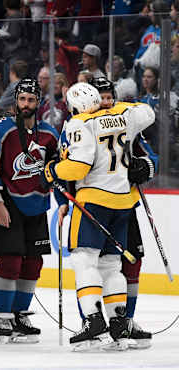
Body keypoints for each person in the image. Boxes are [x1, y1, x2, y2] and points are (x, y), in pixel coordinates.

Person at [41, 82, 155, 351]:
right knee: (111, 265)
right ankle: (118, 323)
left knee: (83, 260)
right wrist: (116, 106)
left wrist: (54, 170)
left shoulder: (79, 123)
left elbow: (79, 167)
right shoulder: (123, 115)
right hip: (123, 201)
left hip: (93, 201)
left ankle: (93, 320)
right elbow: (148, 112)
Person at [0, 78, 68, 344]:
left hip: (38, 205)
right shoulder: (1, 129)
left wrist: (62, 199)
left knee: (33, 263)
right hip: (8, 203)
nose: (26, 105)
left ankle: (20, 315)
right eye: (22, 100)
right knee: (10, 261)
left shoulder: (50, 135)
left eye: (31, 100)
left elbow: (56, 173)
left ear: (39, 102)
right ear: (15, 101)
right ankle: (3, 316)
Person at [91, 77, 156, 349]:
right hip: (95, 207)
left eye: (108, 97)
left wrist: (145, 166)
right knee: (96, 265)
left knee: (132, 260)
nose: (105, 102)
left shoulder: (125, 121)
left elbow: (149, 156)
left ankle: (125, 319)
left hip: (125, 205)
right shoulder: (82, 124)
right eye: (100, 98)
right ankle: (95, 320)